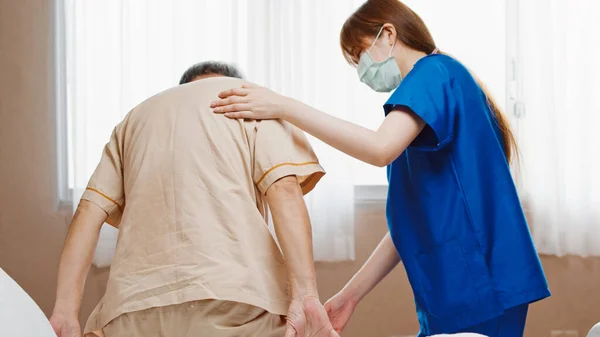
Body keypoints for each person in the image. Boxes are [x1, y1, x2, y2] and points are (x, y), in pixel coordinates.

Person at [211, 1, 551, 336]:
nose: (361, 72)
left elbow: (378, 148)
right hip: (454, 287)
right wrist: (350, 296)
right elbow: (408, 222)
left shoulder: (433, 74)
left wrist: (284, 106)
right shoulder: (420, 103)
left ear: (388, 34)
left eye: (358, 56)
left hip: (480, 281)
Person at [48, 61, 340, 337]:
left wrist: (65, 311)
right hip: (237, 298)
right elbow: (284, 190)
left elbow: (89, 210)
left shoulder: (134, 120)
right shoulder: (254, 105)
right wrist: (305, 296)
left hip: (132, 308)